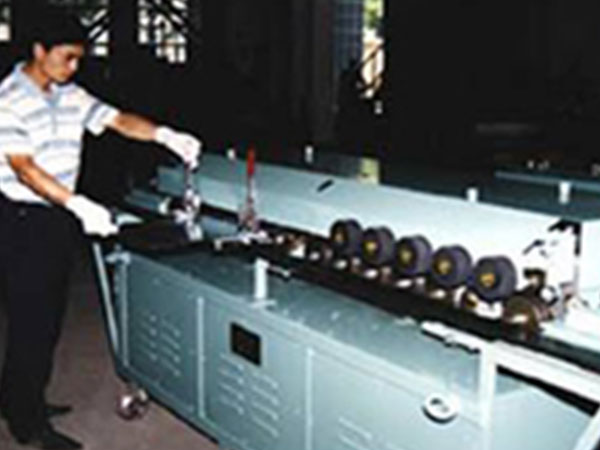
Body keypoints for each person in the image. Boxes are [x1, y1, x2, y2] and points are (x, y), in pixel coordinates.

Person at [0, 7, 200, 450]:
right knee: (31, 319)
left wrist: (165, 135)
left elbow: (116, 119)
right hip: (21, 218)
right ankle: (28, 424)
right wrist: (78, 204)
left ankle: (18, 397)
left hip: (57, 215)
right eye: (67, 57)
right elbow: (25, 169)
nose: (74, 67)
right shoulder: (7, 99)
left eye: (78, 58)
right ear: (39, 50)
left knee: (49, 315)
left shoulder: (68, 93)